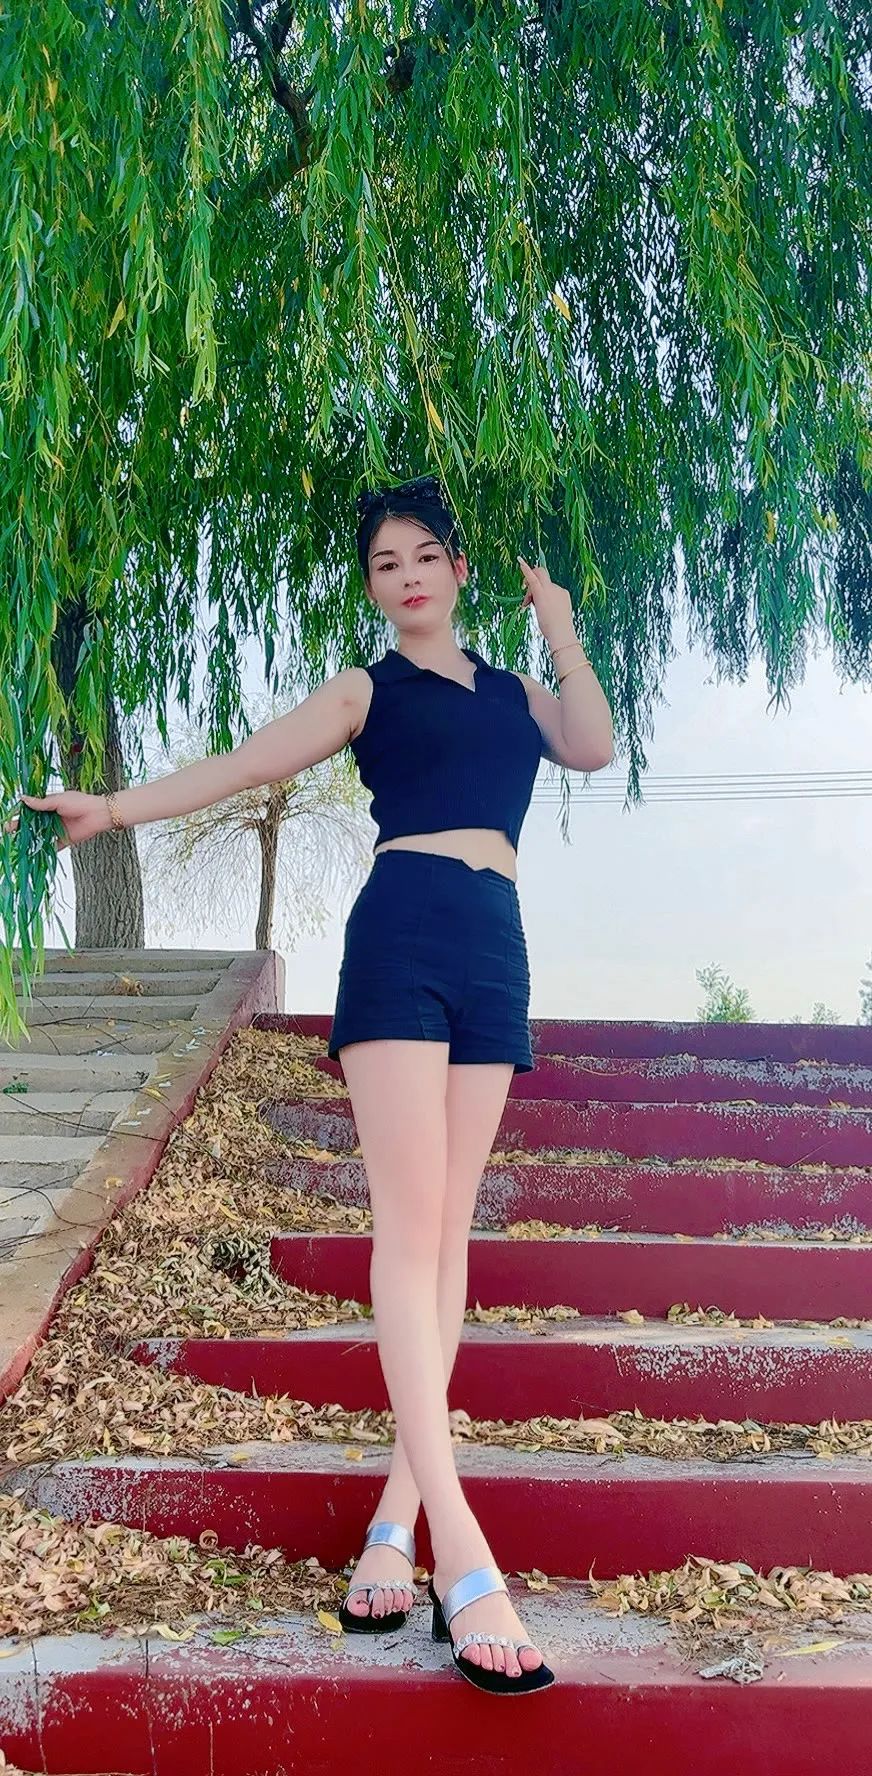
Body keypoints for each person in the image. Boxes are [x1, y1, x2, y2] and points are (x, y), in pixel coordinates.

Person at [11, 474, 614, 1695]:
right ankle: (462, 1551)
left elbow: (593, 744)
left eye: (424, 556)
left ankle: (396, 1519)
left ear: (457, 569)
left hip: (493, 945)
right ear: (373, 587)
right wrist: (110, 808)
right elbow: (242, 765)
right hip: (400, 934)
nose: (407, 577)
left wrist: (557, 622)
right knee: (408, 1232)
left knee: (450, 1240)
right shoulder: (362, 690)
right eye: (385, 563)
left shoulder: (513, 694)